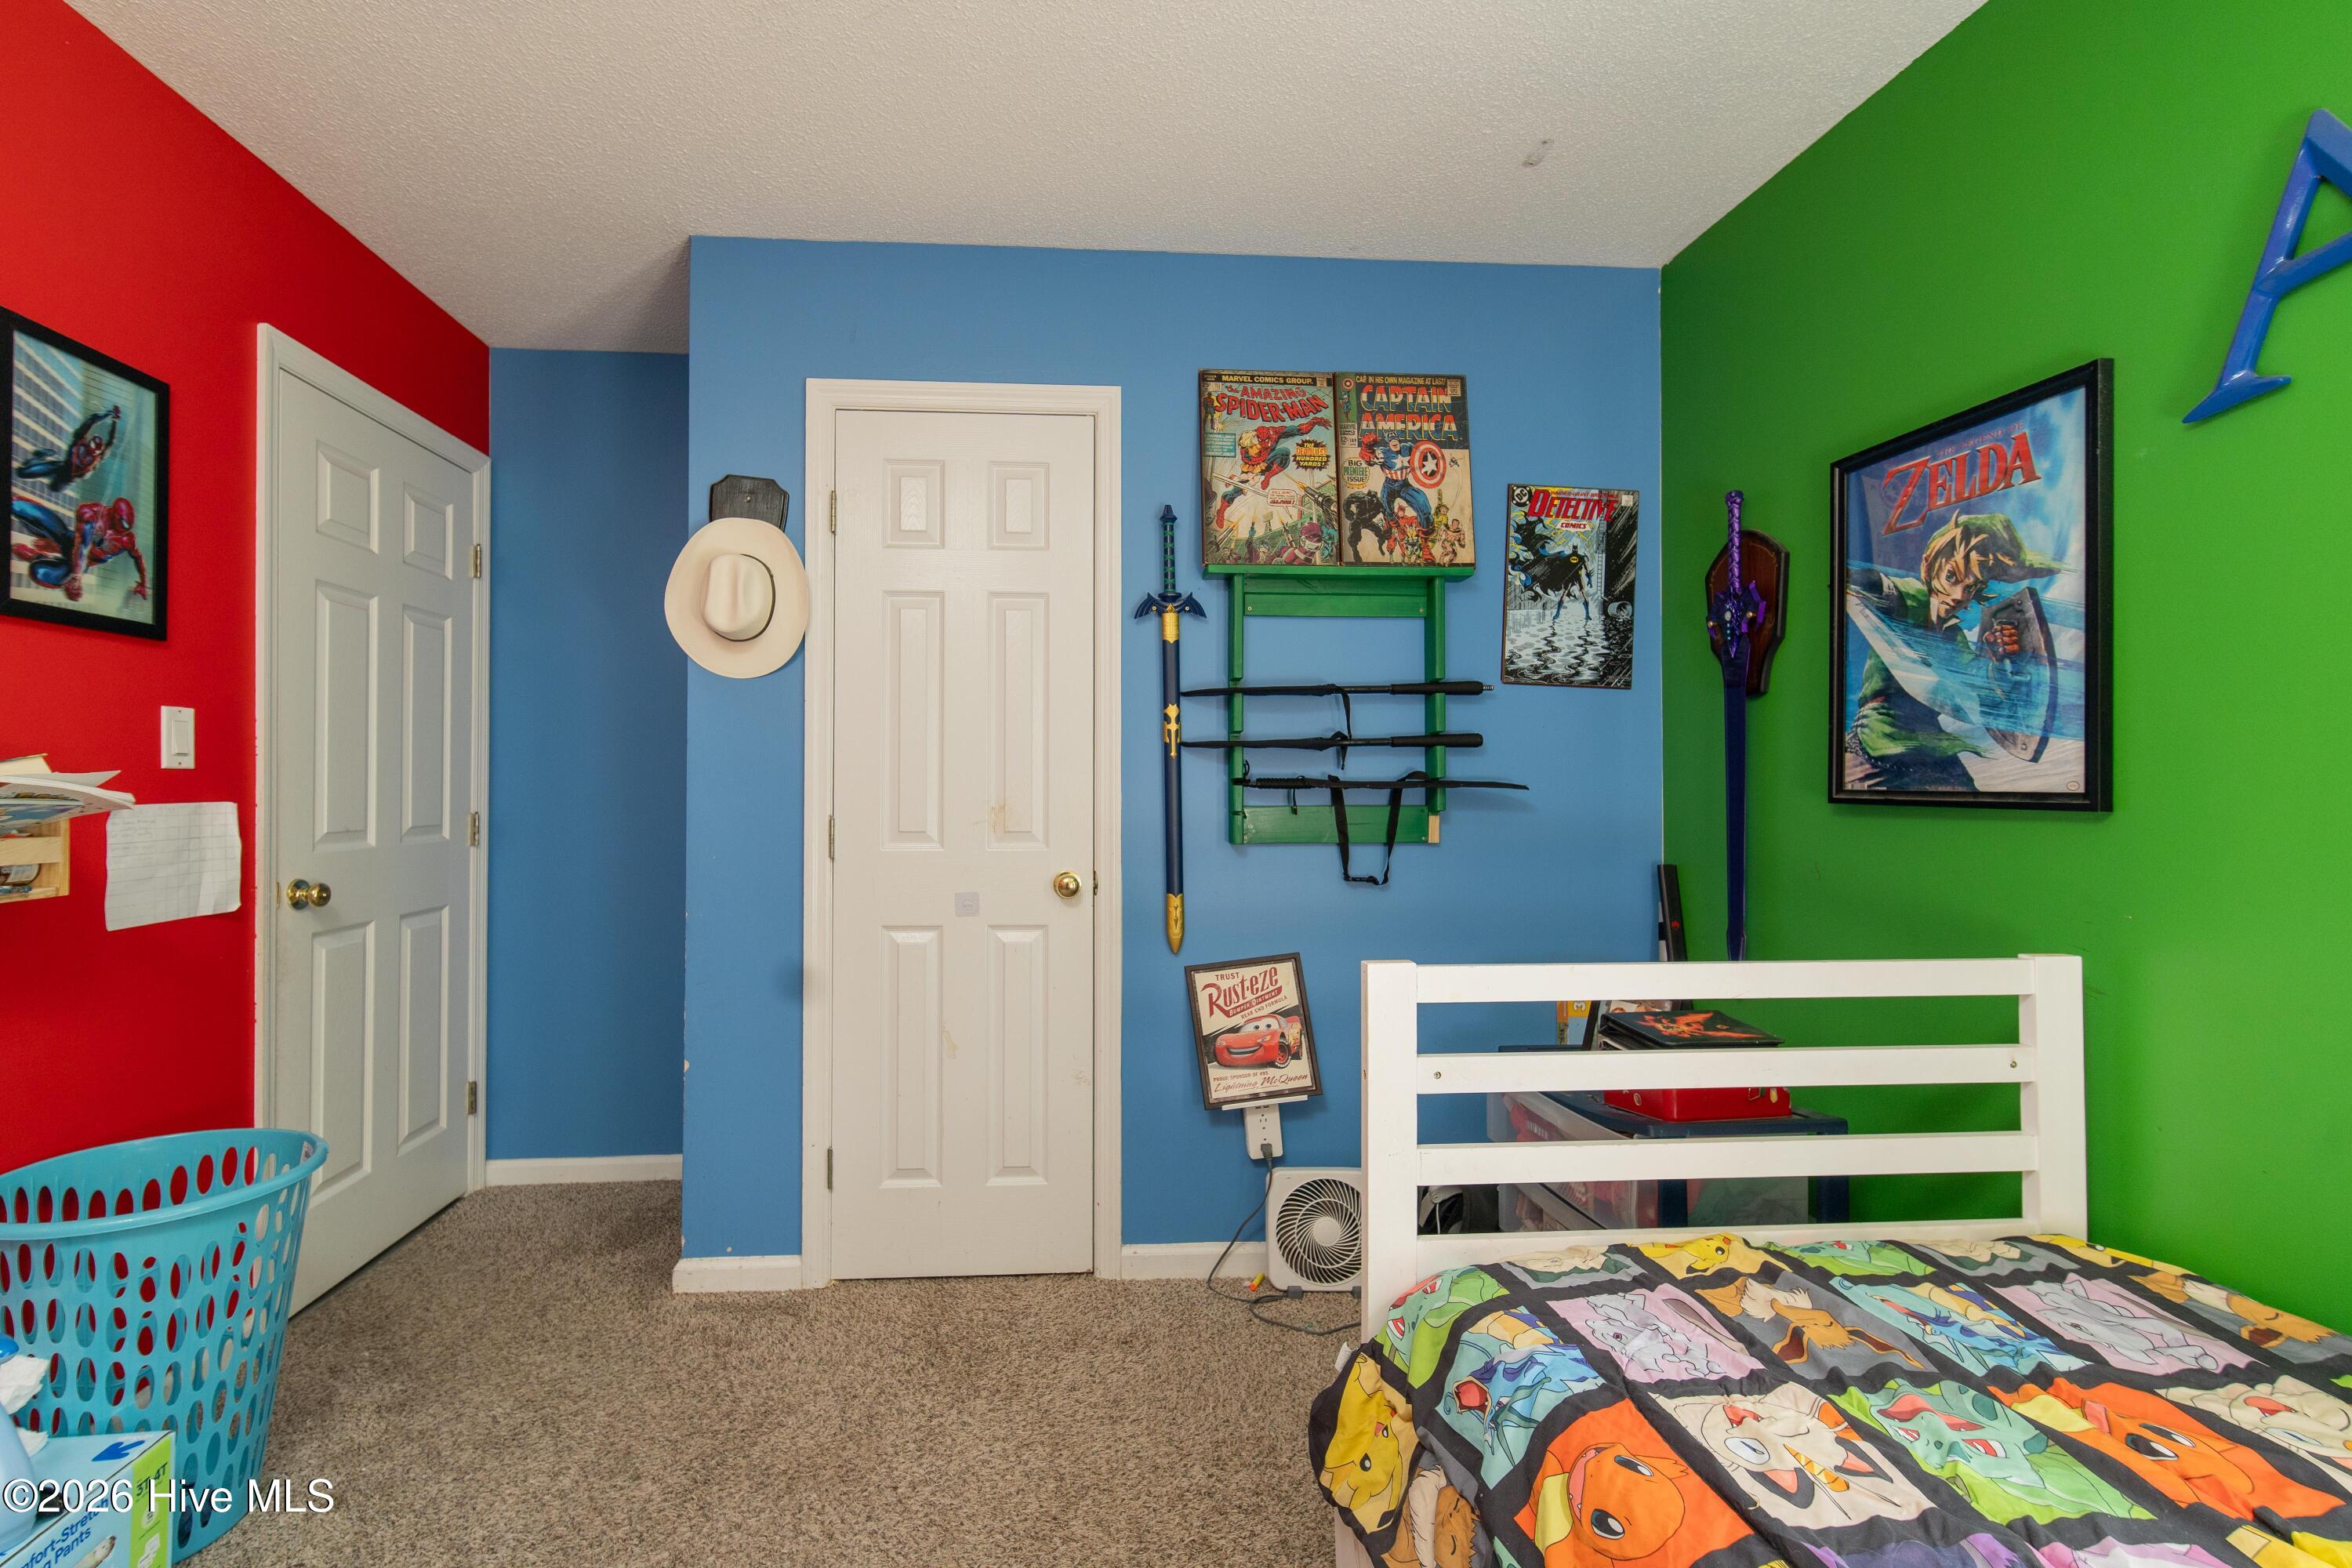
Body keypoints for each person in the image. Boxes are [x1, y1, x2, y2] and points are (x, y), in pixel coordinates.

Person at [1842, 512, 2058, 791]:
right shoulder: (1911, 597)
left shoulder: (1952, 635)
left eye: (1971, 587)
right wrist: (1852, 577)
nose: (1959, 596)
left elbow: (1976, 680)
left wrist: (1997, 660)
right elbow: (1878, 586)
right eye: (1951, 576)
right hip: (1877, 738)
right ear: (1929, 564)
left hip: (1927, 741)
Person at [10, 496, 147, 603]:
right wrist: (76, 575)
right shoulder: (91, 512)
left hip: (80, 565)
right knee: (17, 506)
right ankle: (49, 544)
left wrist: (143, 583)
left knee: (38, 572)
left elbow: (138, 557)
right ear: (114, 514)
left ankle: (36, 557)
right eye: (123, 524)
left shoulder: (126, 540)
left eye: (127, 527)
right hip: (69, 543)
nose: (123, 530)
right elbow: (81, 544)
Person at [15, 405, 121, 490]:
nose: (88, 453)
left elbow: (111, 441)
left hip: (65, 478)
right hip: (59, 468)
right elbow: (92, 420)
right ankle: (41, 456)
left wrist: (114, 420)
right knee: (21, 473)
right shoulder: (80, 442)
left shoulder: (95, 458)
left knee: (53, 488)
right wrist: (110, 416)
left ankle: (43, 463)